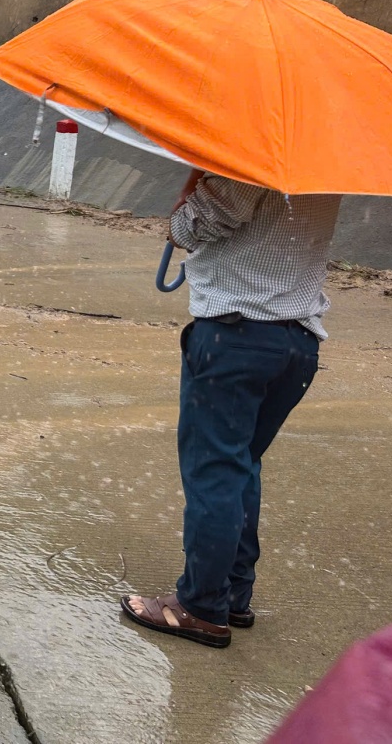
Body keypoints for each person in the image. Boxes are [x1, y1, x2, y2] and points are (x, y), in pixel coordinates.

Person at [120, 170, 342, 649]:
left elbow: (192, 227)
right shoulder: (324, 165)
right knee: (241, 464)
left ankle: (200, 606)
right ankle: (233, 594)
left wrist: (189, 191)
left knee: (215, 472)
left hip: (236, 337)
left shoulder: (249, 157)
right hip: (298, 343)